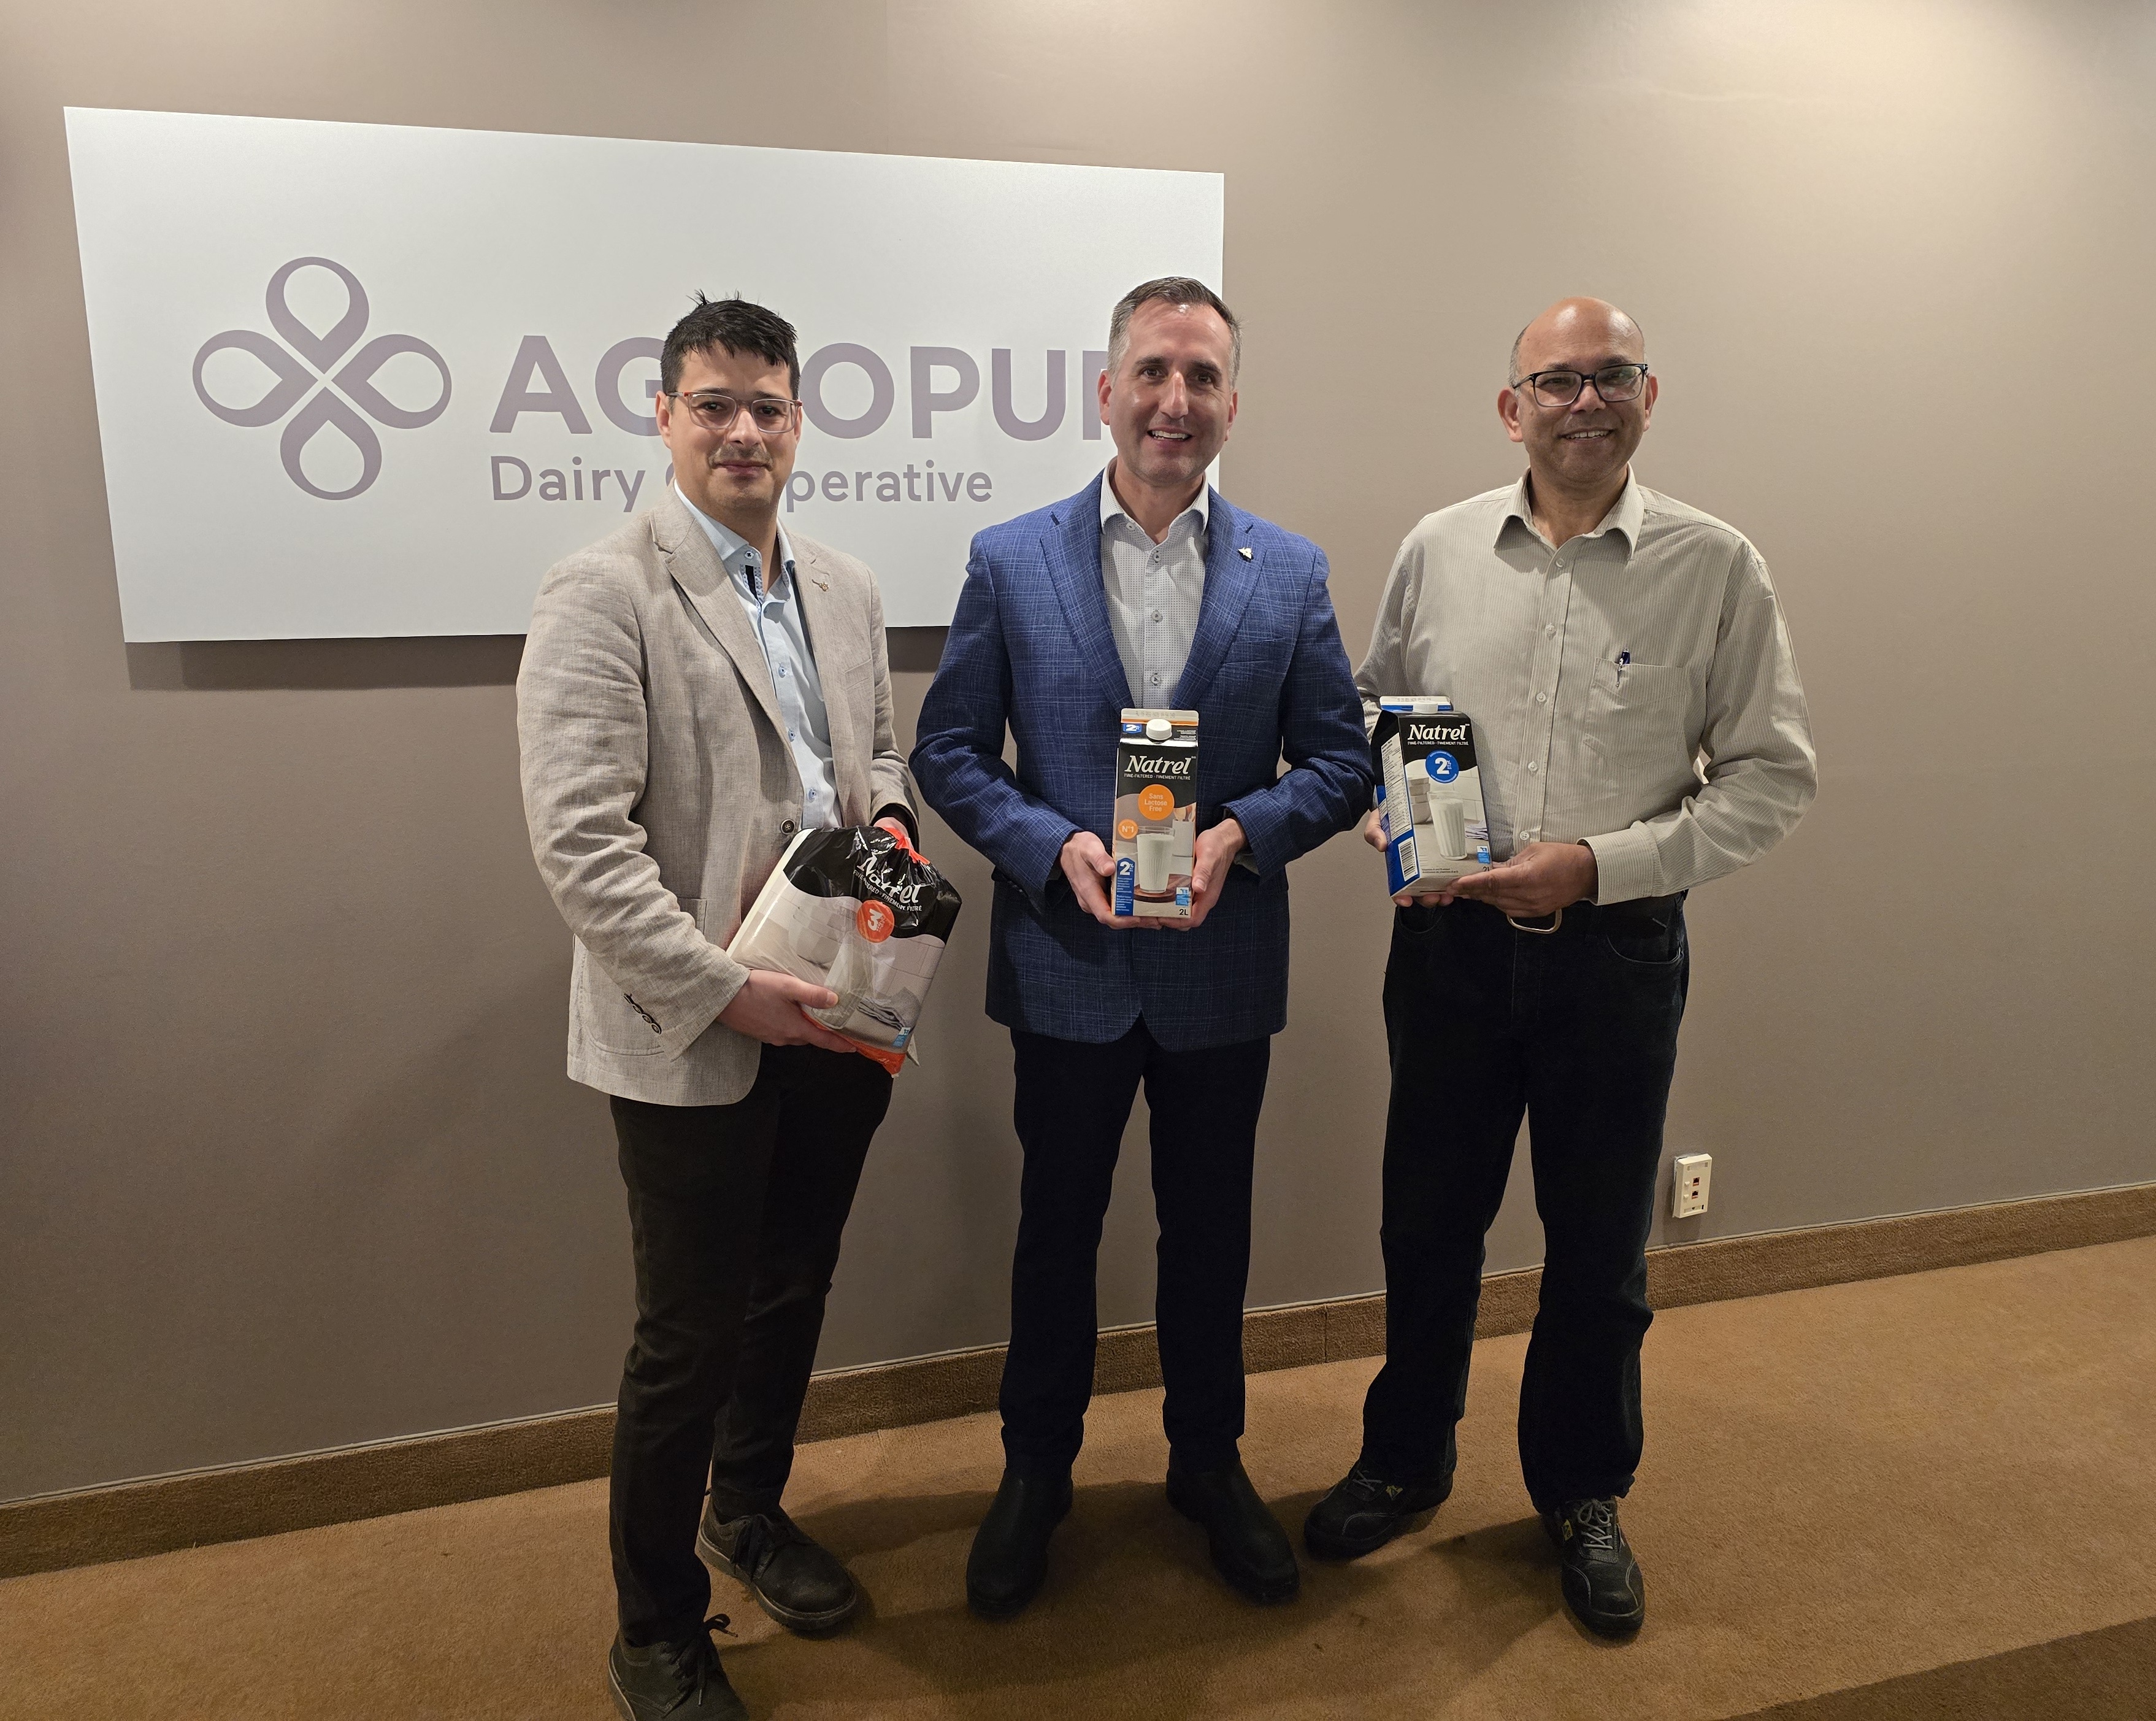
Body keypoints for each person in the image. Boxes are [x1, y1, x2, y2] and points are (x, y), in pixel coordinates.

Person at [1303, 296, 1816, 1637]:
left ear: (1651, 392)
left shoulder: (1716, 567)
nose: (1584, 401)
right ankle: (1405, 1458)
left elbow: (1772, 778)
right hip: (1451, 949)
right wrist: (1382, 795)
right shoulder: (1439, 548)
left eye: (1611, 376)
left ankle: (1582, 1490)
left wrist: (1598, 864)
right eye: (1556, 380)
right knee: (1428, 1225)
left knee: (1597, 1249)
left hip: (1615, 952)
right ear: (1509, 404)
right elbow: (1372, 703)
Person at [911, 277, 1373, 1619]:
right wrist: (1050, 843)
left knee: (1209, 1234)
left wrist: (1242, 833)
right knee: (1055, 1233)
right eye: (1155, 371)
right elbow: (951, 747)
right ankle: (1035, 1472)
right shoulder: (1013, 556)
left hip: (1221, 966)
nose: (1178, 400)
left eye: (1205, 377)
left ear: (1234, 403)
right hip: (1068, 956)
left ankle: (1206, 1462)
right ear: (1104, 391)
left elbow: (1341, 759)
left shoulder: (1288, 570)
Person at [517, 295, 919, 1721]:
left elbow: (874, 772)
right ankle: (654, 1626)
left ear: (801, 419)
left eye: (768, 404)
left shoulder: (850, 588)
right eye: (714, 404)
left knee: (792, 1287)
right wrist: (726, 987)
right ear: (666, 417)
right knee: (684, 1333)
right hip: (693, 1024)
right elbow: (582, 844)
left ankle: (744, 1509)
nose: (744, 428)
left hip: (837, 1016)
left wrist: (899, 904)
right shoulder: (603, 587)